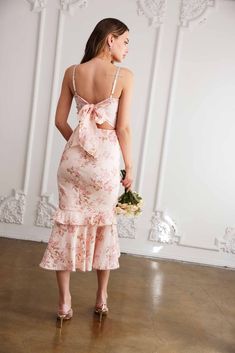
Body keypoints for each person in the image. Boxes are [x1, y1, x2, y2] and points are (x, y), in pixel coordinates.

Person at [39, 17, 134, 325]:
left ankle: (64, 303)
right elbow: (123, 129)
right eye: (125, 41)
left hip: (72, 161)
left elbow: (59, 121)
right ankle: (101, 298)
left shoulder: (72, 72)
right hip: (105, 163)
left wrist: (79, 145)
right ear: (110, 39)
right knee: (104, 227)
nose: (127, 48)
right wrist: (129, 167)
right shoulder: (124, 76)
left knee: (66, 226)